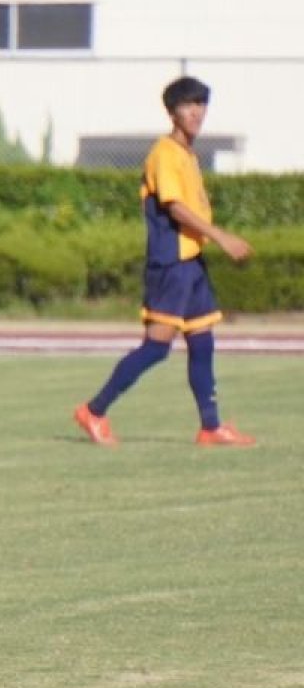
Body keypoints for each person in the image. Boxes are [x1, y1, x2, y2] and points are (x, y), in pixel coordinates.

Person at [73, 75, 254, 448]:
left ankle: (211, 427)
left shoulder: (187, 154)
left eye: (201, 104)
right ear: (173, 112)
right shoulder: (164, 154)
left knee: (202, 344)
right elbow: (175, 207)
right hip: (170, 263)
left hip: (192, 263)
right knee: (156, 348)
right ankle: (94, 410)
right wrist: (221, 237)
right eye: (189, 105)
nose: (197, 112)